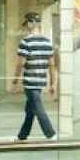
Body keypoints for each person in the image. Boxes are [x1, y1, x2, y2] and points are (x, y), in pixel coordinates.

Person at [16, 11, 56, 141]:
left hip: (30, 81)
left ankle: (50, 134)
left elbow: (21, 64)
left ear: (32, 23)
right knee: (30, 109)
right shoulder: (47, 42)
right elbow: (52, 65)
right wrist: (53, 84)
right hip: (41, 81)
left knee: (38, 108)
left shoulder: (26, 42)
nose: (27, 26)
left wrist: (15, 81)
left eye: (27, 23)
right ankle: (22, 135)